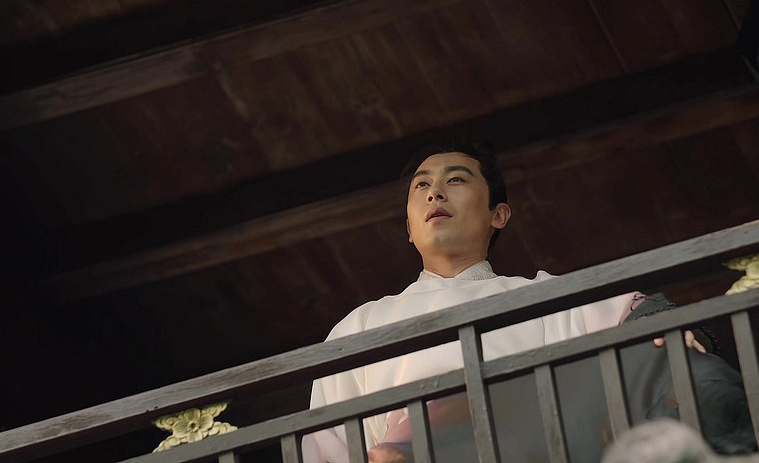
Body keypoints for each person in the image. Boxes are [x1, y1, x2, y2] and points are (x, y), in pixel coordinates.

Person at [302, 139, 706, 463]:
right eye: (422, 186)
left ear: (498, 215)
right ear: (409, 227)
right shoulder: (360, 325)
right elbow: (329, 449)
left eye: (455, 180)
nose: (435, 193)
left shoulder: (545, 297)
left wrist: (666, 330)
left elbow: (641, 315)